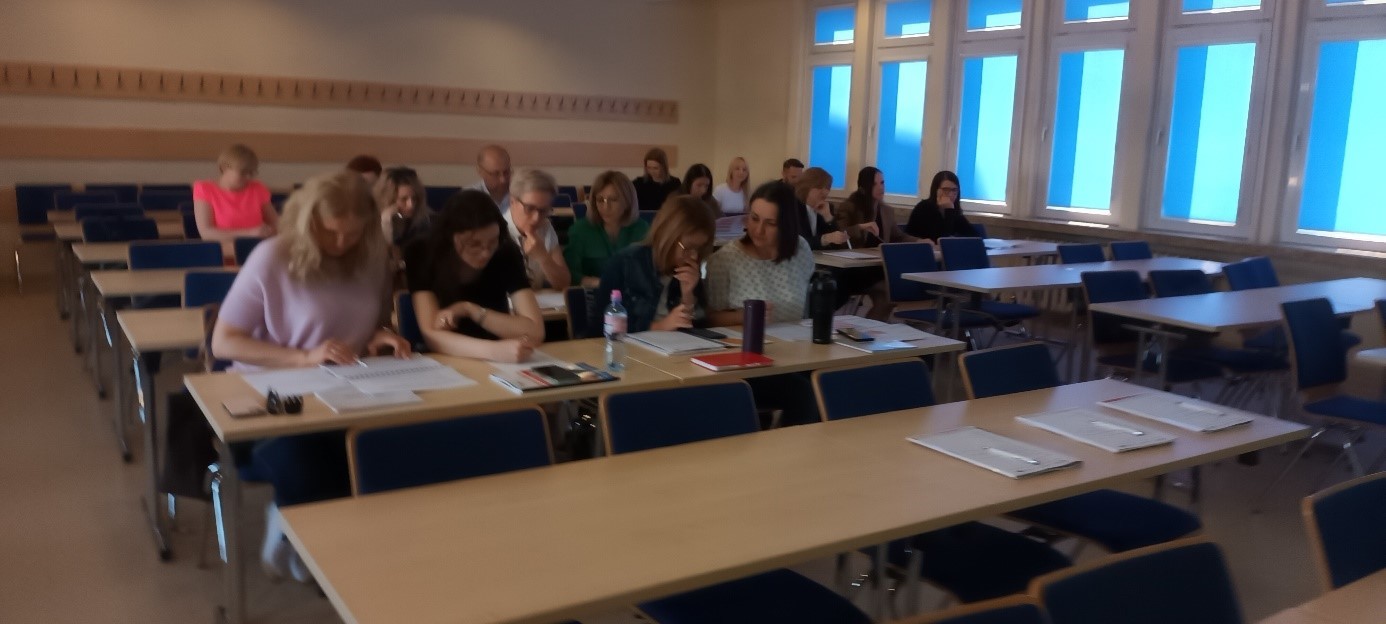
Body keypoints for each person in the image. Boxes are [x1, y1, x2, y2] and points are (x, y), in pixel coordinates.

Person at [209, 170, 409, 581]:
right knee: (310, 453)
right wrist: (303, 357)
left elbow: (359, 321)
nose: (341, 243)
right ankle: (298, 531)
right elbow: (224, 342)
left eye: (353, 234)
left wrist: (378, 334)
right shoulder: (273, 257)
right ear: (308, 222)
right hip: (272, 397)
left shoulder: (371, 258)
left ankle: (343, 542)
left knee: (393, 443)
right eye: (330, 232)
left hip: (346, 389)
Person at [704, 181, 820, 426]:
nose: (758, 230)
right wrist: (742, 316)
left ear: (786, 225)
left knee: (831, 380)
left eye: (770, 223)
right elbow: (708, 318)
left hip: (795, 354)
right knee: (804, 393)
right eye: (754, 219)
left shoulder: (800, 249)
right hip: (748, 362)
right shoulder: (726, 260)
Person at [405, 189, 546, 362]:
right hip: (446, 359)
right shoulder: (422, 252)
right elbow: (431, 334)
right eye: (474, 244)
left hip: (498, 355)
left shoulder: (505, 251)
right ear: (451, 238)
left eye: (492, 242)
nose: (485, 252)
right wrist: (493, 351)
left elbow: (535, 331)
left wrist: (470, 310)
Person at [588, 194, 715, 335]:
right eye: (688, 248)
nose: (694, 256)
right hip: (631, 347)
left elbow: (701, 327)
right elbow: (601, 327)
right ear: (668, 238)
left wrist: (688, 296)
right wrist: (659, 326)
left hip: (676, 345)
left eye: (700, 249)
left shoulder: (689, 269)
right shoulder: (625, 263)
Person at [565, 171, 650, 287]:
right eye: (600, 200)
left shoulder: (641, 228)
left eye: (613, 199)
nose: (605, 207)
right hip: (592, 293)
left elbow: (650, 271)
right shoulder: (580, 230)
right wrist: (599, 283)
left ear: (628, 201)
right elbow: (569, 274)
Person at [192, 144, 279, 252]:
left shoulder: (258, 188)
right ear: (224, 168)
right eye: (243, 172)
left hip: (257, 250)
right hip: (224, 253)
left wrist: (269, 232)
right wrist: (250, 234)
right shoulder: (204, 189)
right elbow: (206, 233)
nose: (248, 177)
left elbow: (277, 224)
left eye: (251, 173)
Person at [502, 169, 570, 290]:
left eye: (544, 210)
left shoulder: (546, 227)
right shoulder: (496, 230)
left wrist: (543, 257)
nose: (536, 218)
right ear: (512, 201)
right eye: (529, 208)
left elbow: (564, 284)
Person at [835, 166, 919, 248]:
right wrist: (860, 227)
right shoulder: (848, 207)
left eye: (882, 183)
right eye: (874, 184)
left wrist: (919, 241)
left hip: (879, 255)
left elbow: (898, 237)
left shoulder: (887, 210)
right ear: (863, 188)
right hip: (854, 255)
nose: (880, 188)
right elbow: (839, 234)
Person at [906, 170, 978, 242]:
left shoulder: (954, 209)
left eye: (954, 190)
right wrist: (949, 210)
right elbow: (942, 239)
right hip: (921, 248)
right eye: (945, 189)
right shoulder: (924, 207)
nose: (950, 194)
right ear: (935, 190)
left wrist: (950, 210)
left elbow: (975, 237)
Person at [375, 166, 431, 249]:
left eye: (414, 198)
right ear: (389, 200)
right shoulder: (371, 222)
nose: (411, 205)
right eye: (403, 199)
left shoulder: (424, 221)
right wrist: (386, 221)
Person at [794, 167, 849, 250]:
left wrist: (828, 217)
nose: (825, 192)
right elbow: (797, 243)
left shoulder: (826, 207)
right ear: (807, 187)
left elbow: (838, 245)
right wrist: (825, 239)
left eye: (827, 187)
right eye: (819, 187)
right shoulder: (792, 207)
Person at [632, 147, 681, 212]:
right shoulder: (639, 183)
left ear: (664, 167)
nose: (652, 171)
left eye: (655, 168)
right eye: (649, 168)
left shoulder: (675, 183)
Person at [470, 144, 513, 211]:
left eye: (506, 172)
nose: (503, 180)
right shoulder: (469, 197)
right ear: (480, 171)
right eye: (495, 174)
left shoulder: (521, 193)